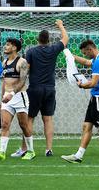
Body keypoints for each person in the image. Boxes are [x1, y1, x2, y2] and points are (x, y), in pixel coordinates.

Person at [61, 39, 99, 164]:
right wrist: (71, 57)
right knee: (87, 126)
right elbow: (87, 62)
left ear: (90, 49)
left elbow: (93, 83)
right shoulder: (98, 59)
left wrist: (81, 85)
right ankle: (78, 155)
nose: (85, 55)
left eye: (85, 52)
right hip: (96, 98)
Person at [17, 20, 69, 158]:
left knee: (29, 119)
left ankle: (25, 148)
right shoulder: (53, 49)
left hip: (34, 89)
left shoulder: (31, 51)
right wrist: (60, 26)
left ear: (38, 39)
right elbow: (65, 39)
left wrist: (20, 83)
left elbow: (25, 69)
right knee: (48, 119)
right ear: (49, 40)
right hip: (50, 89)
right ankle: (49, 149)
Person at [0, 38, 35, 160]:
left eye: (8, 45)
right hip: (7, 98)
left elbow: (23, 81)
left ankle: (31, 151)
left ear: (14, 48)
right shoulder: (4, 62)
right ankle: (2, 152)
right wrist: (1, 98)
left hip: (19, 97)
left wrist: (12, 94)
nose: (5, 47)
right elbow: (4, 82)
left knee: (23, 125)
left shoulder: (22, 62)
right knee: (4, 124)